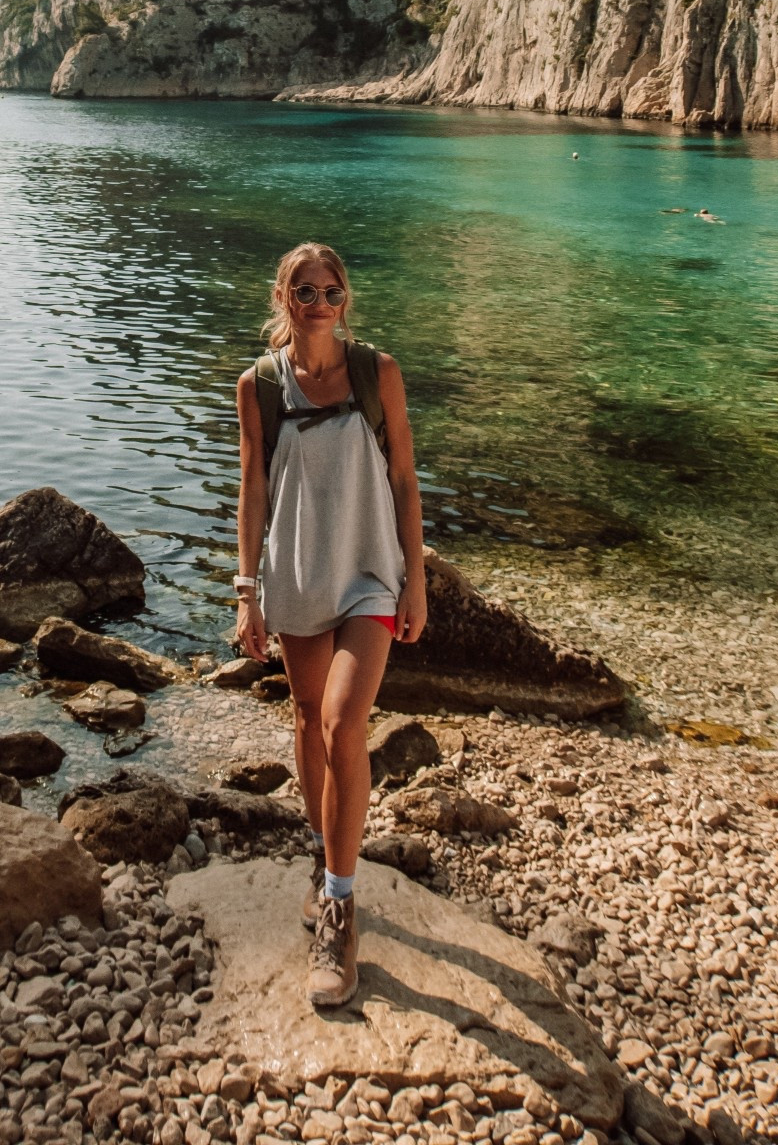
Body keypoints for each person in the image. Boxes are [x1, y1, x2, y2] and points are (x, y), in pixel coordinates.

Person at [233, 241, 427, 1009]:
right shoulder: (259, 387)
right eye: (304, 291)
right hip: (297, 573)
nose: (318, 303)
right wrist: (246, 591)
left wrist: (416, 581)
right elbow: (252, 489)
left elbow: (406, 477)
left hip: (370, 572)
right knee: (309, 717)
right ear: (283, 298)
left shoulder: (379, 372)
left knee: (348, 721)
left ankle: (340, 912)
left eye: (331, 290)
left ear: (347, 299)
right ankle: (320, 854)